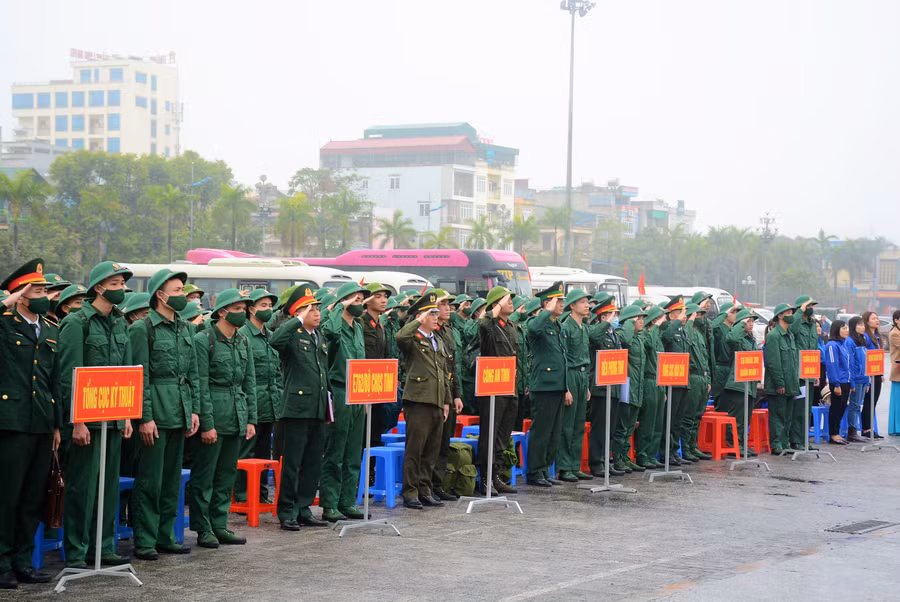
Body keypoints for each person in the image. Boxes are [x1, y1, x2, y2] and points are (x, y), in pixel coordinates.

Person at [58, 261, 134, 569]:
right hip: (87, 420)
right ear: (99, 287)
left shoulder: (120, 322)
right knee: (82, 488)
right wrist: (77, 420)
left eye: (122, 284)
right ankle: (77, 551)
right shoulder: (78, 322)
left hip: (115, 417)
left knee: (108, 488)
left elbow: (128, 372)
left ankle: (103, 546)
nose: (121, 290)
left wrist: (128, 416)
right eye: (115, 284)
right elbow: (68, 374)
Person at [129, 268, 200, 560]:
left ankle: (166, 535)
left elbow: (193, 373)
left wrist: (194, 410)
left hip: (179, 410)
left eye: (182, 290)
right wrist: (144, 417)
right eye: (177, 291)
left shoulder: (185, 327)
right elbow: (140, 377)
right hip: (156, 412)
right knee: (150, 480)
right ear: (160, 295)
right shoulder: (142, 328)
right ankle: (145, 539)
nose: (182, 296)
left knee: (171, 480)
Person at [0, 260, 62, 588]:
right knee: (7, 497)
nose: (44, 296)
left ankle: (24, 561)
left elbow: (55, 380)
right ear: (20, 295)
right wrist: (7, 301)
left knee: (31, 497)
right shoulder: (5, 323)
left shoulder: (50, 328)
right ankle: (2, 563)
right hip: (11, 424)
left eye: (44, 290)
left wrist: (56, 425)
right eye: (36, 291)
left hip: (41, 422)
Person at [190, 288, 256, 548]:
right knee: (205, 475)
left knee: (226, 474)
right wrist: (207, 423)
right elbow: (201, 384)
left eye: (244, 310)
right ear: (222, 312)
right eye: (238, 309)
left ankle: (219, 523)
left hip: (236, 412)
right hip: (214, 411)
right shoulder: (203, 339)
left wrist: (250, 418)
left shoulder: (243, 340)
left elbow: (248, 381)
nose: (242, 314)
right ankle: (203, 527)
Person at [270, 287, 330, 529]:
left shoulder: (319, 336)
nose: (317, 312)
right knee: (293, 462)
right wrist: (296, 320)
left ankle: (304, 508)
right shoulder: (292, 334)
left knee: (313, 461)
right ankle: (287, 511)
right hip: (296, 407)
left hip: (317, 407)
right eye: (311, 309)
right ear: (299, 312)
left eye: (317, 308)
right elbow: (275, 340)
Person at [397, 292, 452, 509]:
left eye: (437, 313)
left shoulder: (437, 340)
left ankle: (425, 489)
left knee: (431, 451)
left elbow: (444, 373)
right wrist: (417, 320)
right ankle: (410, 492)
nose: (437, 317)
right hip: (419, 400)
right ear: (422, 316)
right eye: (432, 313)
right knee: (415, 450)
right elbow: (400, 337)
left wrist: (446, 401)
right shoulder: (413, 339)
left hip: (437, 401)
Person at [319, 282, 370, 522]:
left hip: (359, 393)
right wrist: (339, 308)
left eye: (361, 301)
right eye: (355, 300)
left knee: (353, 451)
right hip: (339, 391)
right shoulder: (335, 325)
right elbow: (327, 332)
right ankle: (330, 503)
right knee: (336, 450)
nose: (359, 304)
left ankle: (348, 501)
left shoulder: (358, 327)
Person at [235, 289, 282, 504]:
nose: (268, 310)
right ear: (251, 309)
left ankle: (261, 494)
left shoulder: (271, 337)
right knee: (246, 452)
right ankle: (244, 496)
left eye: (270, 306)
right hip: (249, 403)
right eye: (263, 306)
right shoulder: (243, 336)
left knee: (264, 455)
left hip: (269, 404)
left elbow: (277, 373)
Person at [475, 286, 520, 494]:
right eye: (506, 300)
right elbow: (483, 324)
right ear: (496, 304)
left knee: (503, 435)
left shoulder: (510, 326)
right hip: (491, 387)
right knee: (489, 435)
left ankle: (497, 476)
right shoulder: (490, 325)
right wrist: (494, 307)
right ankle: (485, 479)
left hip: (509, 386)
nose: (511, 303)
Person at [525, 282, 570, 488]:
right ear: (546, 304)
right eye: (557, 301)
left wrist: (566, 387)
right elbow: (533, 329)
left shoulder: (557, 325)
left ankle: (544, 468)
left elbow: (562, 358)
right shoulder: (538, 322)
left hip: (557, 386)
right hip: (543, 385)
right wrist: (546, 311)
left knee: (553, 431)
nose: (561, 304)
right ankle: (534, 471)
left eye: (562, 300)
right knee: (541, 431)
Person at [430, 289, 465, 499]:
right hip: (433, 394)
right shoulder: (428, 331)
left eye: (449, 305)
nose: (448, 308)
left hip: (449, 392)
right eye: (443, 304)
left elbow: (452, 366)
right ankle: (425, 486)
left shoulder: (449, 331)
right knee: (432, 443)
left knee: (444, 442)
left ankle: (438, 485)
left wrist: (456, 394)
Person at [556, 289, 593, 482]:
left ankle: (574, 465)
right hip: (570, 375)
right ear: (572, 306)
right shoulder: (566, 327)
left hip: (582, 376)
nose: (587, 306)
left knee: (579, 423)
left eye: (587, 302)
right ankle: (564, 466)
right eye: (583, 302)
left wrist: (586, 385)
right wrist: (566, 388)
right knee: (568, 425)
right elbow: (562, 358)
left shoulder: (585, 327)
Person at [587, 293, 624, 476]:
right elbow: (593, 338)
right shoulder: (597, 331)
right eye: (612, 314)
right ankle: (596, 463)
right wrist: (604, 323)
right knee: (600, 427)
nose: (616, 318)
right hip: (600, 388)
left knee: (610, 427)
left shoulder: (613, 334)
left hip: (614, 386)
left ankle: (605, 460)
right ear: (603, 317)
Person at [612, 304, 648, 473]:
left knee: (630, 425)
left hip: (637, 386)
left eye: (642, 318)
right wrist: (627, 322)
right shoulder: (622, 334)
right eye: (638, 318)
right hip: (626, 386)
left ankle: (625, 457)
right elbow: (625, 340)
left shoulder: (640, 338)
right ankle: (618, 458)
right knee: (622, 424)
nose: (641, 321)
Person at [718, 309, 758, 454]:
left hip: (749, 384)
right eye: (748, 321)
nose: (751, 324)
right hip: (737, 385)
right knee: (737, 418)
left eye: (753, 321)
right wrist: (740, 324)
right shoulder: (738, 338)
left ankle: (742, 444)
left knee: (746, 418)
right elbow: (732, 339)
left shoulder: (750, 339)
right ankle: (733, 445)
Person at [763, 303, 800, 454]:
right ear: (779, 315)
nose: (791, 315)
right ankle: (776, 444)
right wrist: (779, 383)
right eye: (788, 312)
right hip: (779, 385)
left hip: (791, 384)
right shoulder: (774, 336)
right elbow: (773, 363)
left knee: (788, 416)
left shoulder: (790, 335)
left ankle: (785, 444)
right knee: (778, 416)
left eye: (792, 312)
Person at [634, 305, 668, 469]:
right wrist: (654, 326)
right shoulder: (646, 335)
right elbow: (650, 345)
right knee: (648, 422)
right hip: (649, 381)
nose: (666, 319)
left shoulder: (658, 336)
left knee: (657, 423)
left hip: (659, 382)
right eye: (662, 317)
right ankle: (642, 455)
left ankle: (651, 455)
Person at [660, 296, 692, 464]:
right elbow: (665, 338)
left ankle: (673, 451)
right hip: (670, 380)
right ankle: (665, 452)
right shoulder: (668, 327)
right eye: (680, 312)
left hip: (682, 380)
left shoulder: (682, 330)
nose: (683, 316)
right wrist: (677, 322)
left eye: (684, 313)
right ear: (671, 315)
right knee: (669, 419)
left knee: (678, 420)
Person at [362, 283, 392, 458]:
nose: (383, 300)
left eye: (385, 296)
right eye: (378, 296)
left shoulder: (380, 324)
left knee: (377, 430)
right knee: (365, 432)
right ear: (367, 301)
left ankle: (371, 470)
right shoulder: (361, 322)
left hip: (379, 384)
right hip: (364, 385)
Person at [681, 302, 713, 461]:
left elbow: (705, 358)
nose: (700, 317)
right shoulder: (688, 330)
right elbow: (686, 340)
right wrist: (690, 319)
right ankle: (686, 448)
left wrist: (707, 379)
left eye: (701, 315)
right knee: (689, 415)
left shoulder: (700, 333)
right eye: (697, 315)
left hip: (702, 377)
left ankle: (693, 446)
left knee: (698, 414)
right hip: (692, 376)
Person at [790, 296, 820, 450]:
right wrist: (799, 311)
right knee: (799, 409)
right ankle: (796, 440)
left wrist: (816, 373)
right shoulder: (796, 322)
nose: (812, 307)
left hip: (809, 372)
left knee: (807, 409)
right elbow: (792, 329)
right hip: (798, 373)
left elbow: (814, 349)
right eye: (809, 305)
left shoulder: (812, 324)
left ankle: (805, 440)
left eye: (813, 305)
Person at [824, 320, 851, 445]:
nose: (846, 330)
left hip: (846, 381)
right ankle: (833, 434)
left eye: (847, 328)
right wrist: (836, 384)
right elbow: (832, 366)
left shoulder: (843, 344)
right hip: (838, 382)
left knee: (842, 408)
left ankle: (837, 433)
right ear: (836, 330)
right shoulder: (832, 345)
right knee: (835, 408)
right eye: (843, 328)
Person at [710, 302, 740, 409]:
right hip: (721, 368)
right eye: (733, 312)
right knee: (722, 403)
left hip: (732, 368)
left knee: (731, 404)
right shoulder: (719, 328)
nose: (735, 314)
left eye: (737, 312)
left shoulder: (734, 329)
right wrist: (725, 314)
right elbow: (712, 327)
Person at [845, 316, 870, 443]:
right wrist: (852, 381)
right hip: (855, 379)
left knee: (858, 406)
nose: (863, 327)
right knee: (854, 406)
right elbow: (850, 363)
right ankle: (852, 432)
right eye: (860, 325)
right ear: (853, 326)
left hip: (863, 378)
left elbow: (865, 361)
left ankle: (855, 431)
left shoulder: (862, 339)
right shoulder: (849, 341)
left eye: (863, 325)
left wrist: (867, 380)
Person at [861, 311, 885, 439]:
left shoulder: (877, 335)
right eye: (874, 318)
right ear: (867, 321)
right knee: (868, 401)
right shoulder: (865, 336)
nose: (877, 320)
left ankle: (871, 428)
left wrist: (880, 372)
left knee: (874, 401)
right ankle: (866, 429)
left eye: (877, 318)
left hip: (876, 372)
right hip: (868, 373)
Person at [888, 311, 900, 435]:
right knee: (898, 401)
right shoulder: (894, 333)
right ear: (896, 320)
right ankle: (897, 428)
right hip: (898, 371)